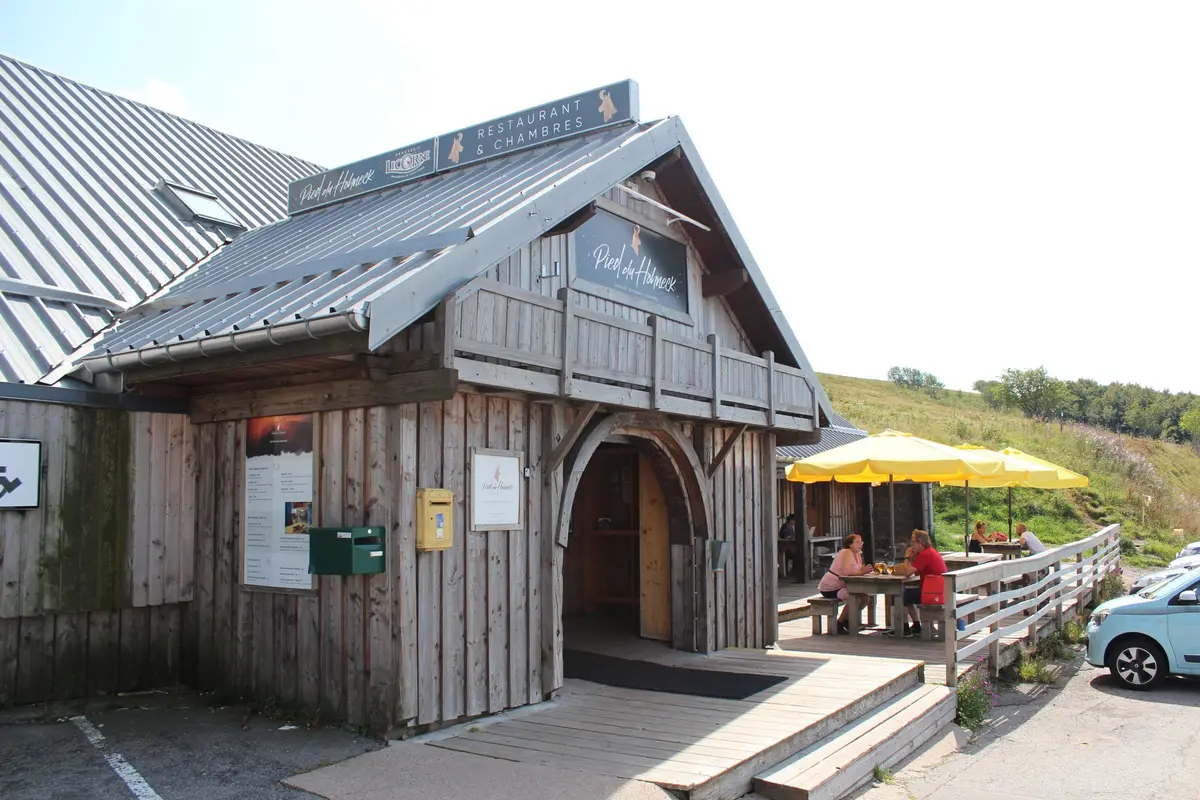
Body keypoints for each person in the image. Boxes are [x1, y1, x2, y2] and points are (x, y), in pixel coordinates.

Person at [817, 533, 875, 634]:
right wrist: (862, 572)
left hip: (843, 585)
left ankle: (847, 621)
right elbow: (846, 572)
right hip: (831, 586)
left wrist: (865, 570)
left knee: (865, 598)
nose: (860, 544)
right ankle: (839, 622)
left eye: (861, 542)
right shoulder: (846, 552)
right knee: (855, 598)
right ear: (850, 544)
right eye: (857, 542)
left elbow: (858, 570)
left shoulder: (857, 554)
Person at [902, 529, 947, 638]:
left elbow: (908, 573)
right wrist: (913, 558)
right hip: (940, 589)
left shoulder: (925, 554)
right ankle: (916, 625)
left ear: (920, 542)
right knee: (909, 594)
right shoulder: (930, 551)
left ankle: (905, 628)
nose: (912, 545)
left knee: (902, 595)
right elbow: (917, 571)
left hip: (934, 593)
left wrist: (907, 557)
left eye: (913, 542)